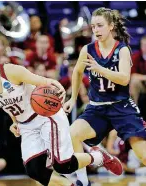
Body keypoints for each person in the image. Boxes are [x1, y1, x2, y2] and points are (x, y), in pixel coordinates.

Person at [0, 31, 123, 186]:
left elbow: (44, 81)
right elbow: (6, 104)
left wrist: (58, 87)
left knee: (62, 164)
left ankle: (99, 157)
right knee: (35, 170)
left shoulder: (11, 71)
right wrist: (15, 121)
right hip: (26, 125)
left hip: (46, 116)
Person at [63, 7, 146, 186]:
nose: (96, 30)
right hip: (97, 108)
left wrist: (100, 69)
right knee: (73, 134)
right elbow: (77, 72)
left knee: (143, 156)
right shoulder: (88, 49)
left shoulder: (122, 50)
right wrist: (73, 98)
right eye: (93, 27)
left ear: (111, 26)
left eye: (100, 26)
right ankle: (83, 182)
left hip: (121, 107)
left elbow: (124, 79)